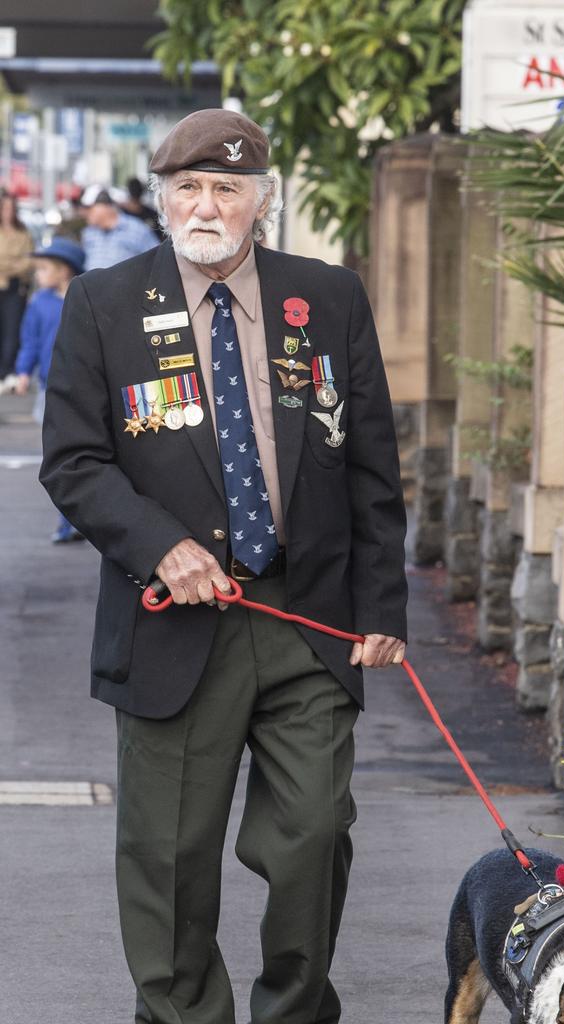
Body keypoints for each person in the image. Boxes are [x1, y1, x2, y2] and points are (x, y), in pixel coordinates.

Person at [40, 108, 408, 1024]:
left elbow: (370, 461)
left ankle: (294, 1010)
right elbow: (74, 461)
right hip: (172, 618)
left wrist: (384, 606)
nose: (207, 206)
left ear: (262, 202)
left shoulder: (326, 297)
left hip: (305, 615)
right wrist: (158, 541)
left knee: (315, 833)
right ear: (163, 200)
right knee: (168, 854)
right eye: (189, 189)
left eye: (228, 189)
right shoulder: (104, 303)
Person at [14, 237, 86, 543]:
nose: (38, 275)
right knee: (60, 456)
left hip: (84, 388)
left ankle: (78, 522)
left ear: (64, 270)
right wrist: (22, 372)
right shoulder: (38, 302)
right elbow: (29, 340)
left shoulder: (85, 299)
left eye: (44, 268)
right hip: (49, 388)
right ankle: (67, 523)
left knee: (85, 454)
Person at [80, 183, 157, 270]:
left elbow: (156, 259)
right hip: (92, 283)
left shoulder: (136, 229)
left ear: (105, 205)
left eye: (89, 208)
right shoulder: (89, 232)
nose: (84, 212)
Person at [0, 190, 34, 386]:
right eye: (5, 208)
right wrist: (15, 263)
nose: (8, 212)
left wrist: (10, 265)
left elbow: (29, 261)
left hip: (16, 287)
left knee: (13, 332)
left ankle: (7, 371)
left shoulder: (23, 232)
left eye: (11, 208)